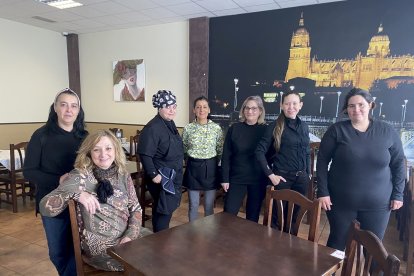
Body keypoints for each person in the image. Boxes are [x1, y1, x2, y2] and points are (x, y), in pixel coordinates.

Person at [39, 130, 142, 271]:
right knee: (146, 264)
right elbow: (44, 207)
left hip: (127, 240)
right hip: (102, 250)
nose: (103, 154)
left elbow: (136, 208)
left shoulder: (122, 174)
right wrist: (75, 194)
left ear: (116, 150)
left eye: (108, 148)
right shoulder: (80, 176)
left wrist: (130, 237)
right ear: (89, 153)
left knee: (158, 251)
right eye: (96, 149)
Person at [317, 88, 405, 251]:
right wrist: (322, 192)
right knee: (337, 245)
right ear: (346, 109)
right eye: (351, 106)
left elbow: (399, 163)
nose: (356, 109)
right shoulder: (336, 130)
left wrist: (398, 194)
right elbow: (322, 161)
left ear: (371, 105)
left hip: (379, 205)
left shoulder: (387, 131)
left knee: (373, 249)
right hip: (340, 203)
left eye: (361, 105)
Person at [24, 88, 88, 276]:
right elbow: (29, 172)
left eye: (74, 106)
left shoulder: (84, 137)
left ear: (78, 110)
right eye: (64, 104)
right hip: (52, 202)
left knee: (81, 249)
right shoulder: (41, 135)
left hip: (80, 202)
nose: (69, 110)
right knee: (58, 252)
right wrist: (58, 179)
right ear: (55, 108)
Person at [255, 91, 310, 228]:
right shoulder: (274, 126)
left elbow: (307, 151)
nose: (291, 107)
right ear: (282, 105)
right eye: (287, 103)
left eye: (294, 103)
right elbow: (259, 152)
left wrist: (308, 173)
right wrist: (271, 175)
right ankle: (273, 247)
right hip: (282, 178)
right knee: (277, 219)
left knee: (293, 219)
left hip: (301, 180)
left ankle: (289, 246)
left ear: (300, 105)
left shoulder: (304, 126)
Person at [138, 90, 184, 232]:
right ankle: (160, 239)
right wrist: (154, 175)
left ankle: (160, 237)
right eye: (168, 106)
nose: (172, 110)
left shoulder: (169, 123)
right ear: (159, 108)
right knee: (164, 208)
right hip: (161, 176)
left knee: (166, 208)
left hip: (172, 173)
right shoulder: (153, 127)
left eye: (174, 106)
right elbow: (145, 154)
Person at [221, 96, 267, 222]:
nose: (250, 111)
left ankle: (248, 242)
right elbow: (226, 156)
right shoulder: (234, 128)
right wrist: (225, 179)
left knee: (253, 217)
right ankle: (227, 241)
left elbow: (270, 156)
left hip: (257, 179)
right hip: (236, 178)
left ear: (260, 111)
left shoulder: (265, 130)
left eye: (254, 108)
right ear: (243, 110)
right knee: (228, 215)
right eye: (247, 108)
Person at [182, 96, 223, 221]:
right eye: (198, 107)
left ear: (209, 110)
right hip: (193, 168)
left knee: (209, 206)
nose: (201, 110)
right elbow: (183, 148)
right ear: (194, 110)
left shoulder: (216, 128)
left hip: (210, 168)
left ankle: (208, 233)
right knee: (193, 205)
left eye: (204, 107)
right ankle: (192, 232)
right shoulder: (188, 128)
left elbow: (220, 150)